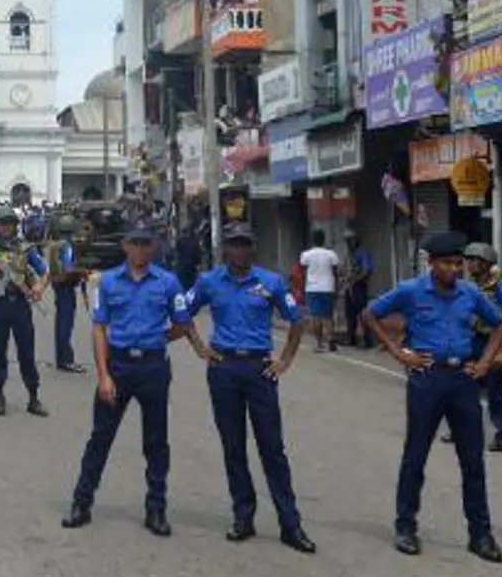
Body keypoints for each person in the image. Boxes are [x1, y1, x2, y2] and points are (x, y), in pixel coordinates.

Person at [362, 231, 502, 562]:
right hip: (427, 378)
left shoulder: (470, 293)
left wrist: (485, 362)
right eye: (447, 263)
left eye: (459, 263)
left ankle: (481, 535)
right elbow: (369, 314)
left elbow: (499, 324)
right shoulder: (411, 291)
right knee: (416, 456)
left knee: (472, 460)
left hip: (462, 380)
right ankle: (405, 527)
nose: (455, 269)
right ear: (432, 264)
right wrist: (398, 351)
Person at [183, 224, 317, 553]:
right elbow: (182, 312)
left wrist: (284, 360)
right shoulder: (209, 281)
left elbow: (297, 318)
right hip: (224, 368)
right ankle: (243, 516)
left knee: (272, 448)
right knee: (234, 447)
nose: (239, 251)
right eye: (233, 245)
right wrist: (200, 347)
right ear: (225, 249)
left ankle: (291, 524)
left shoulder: (270, 282)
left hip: (260, 370)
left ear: (252, 249)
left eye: (244, 245)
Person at [62, 225, 186, 535]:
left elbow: (182, 324)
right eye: (135, 243)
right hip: (118, 366)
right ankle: (82, 502)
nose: (141, 249)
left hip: (153, 368)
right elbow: (99, 329)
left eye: (146, 244)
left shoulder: (168, 282)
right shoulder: (107, 282)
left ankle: (156, 508)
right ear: (125, 246)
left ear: (153, 247)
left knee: (156, 442)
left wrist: (156, 340)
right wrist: (103, 375)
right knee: (100, 438)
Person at [0, 206, 48, 417]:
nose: (6, 227)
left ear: (16, 226)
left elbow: (45, 270)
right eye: (2, 224)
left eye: (10, 223)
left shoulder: (26, 249)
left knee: (27, 353)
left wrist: (40, 287)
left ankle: (33, 397)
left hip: (21, 306)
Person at [461, 242, 502, 452]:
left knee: (496, 388)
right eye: (469, 259)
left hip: (494, 340)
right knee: (465, 387)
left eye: (477, 260)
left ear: (488, 264)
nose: (472, 264)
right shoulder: (467, 286)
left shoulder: (500, 285)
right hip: (472, 340)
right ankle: (464, 429)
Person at [49, 213, 88, 373]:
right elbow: (68, 268)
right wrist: (83, 271)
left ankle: (61, 358)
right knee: (66, 324)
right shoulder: (67, 247)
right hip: (66, 286)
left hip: (58, 285)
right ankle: (66, 360)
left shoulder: (56, 245)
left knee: (60, 323)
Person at [298, 232, 341, 353]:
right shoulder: (331, 254)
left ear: (313, 240)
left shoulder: (306, 255)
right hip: (328, 287)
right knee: (328, 316)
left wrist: (301, 288)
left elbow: (302, 272)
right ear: (324, 240)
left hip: (312, 288)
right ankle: (331, 340)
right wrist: (336, 287)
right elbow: (335, 272)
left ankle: (320, 343)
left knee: (315, 316)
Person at [342, 231, 375, 349]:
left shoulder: (362, 253)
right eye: (346, 241)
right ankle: (351, 338)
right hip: (349, 287)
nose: (347, 243)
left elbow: (366, 271)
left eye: (349, 240)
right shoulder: (350, 254)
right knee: (350, 313)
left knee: (362, 313)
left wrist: (354, 280)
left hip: (359, 287)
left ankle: (367, 340)